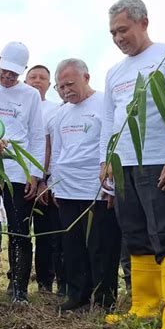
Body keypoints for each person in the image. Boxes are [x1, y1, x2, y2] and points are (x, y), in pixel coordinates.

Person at [101, 0, 165, 329]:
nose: (119, 38)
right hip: (125, 165)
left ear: (143, 23)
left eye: (123, 29)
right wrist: (107, 160)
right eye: (113, 33)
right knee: (135, 234)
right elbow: (110, 119)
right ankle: (145, 306)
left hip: (160, 160)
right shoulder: (114, 73)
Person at [0, 42, 45, 303]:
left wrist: (33, 174)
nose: (8, 77)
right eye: (5, 71)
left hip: (17, 172)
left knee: (19, 229)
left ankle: (19, 289)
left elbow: (36, 136)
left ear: (22, 70)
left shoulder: (31, 95)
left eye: (14, 73)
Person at [51, 58, 121, 312]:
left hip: (97, 188)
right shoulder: (61, 113)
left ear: (86, 78)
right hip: (67, 188)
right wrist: (54, 183)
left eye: (70, 84)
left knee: (102, 246)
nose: (66, 90)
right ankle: (77, 296)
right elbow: (58, 151)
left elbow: (113, 145)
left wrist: (111, 185)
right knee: (73, 245)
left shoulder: (105, 104)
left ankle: (104, 300)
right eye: (60, 87)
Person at [25, 64, 64, 294]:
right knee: (20, 233)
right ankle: (16, 279)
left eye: (42, 78)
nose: (37, 80)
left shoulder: (56, 110)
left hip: (44, 182)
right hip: (19, 179)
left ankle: (46, 283)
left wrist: (44, 180)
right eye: (33, 77)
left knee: (47, 235)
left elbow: (53, 147)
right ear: (25, 80)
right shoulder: (17, 104)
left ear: (50, 85)